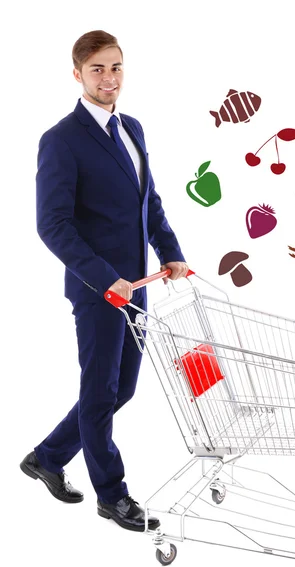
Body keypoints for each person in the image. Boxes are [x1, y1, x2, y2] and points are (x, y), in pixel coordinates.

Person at [20, 30, 188, 533]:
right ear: (77, 74)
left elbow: (147, 203)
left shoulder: (132, 128)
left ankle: (48, 457)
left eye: (116, 67)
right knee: (100, 393)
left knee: (122, 388)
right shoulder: (61, 139)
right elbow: (52, 225)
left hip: (138, 287)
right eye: (97, 69)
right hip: (99, 292)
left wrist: (171, 252)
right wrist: (104, 278)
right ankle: (111, 495)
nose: (109, 78)